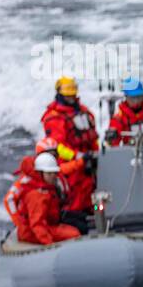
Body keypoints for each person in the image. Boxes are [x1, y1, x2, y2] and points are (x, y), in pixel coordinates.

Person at [41, 76, 99, 215]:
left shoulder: (84, 112)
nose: (71, 98)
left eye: (73, 94)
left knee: (94, 194)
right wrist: (79, 158)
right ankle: (75, 221)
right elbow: (58, 147)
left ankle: (96, 214)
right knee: (74, 199)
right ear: (60, 95)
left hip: (89, 163)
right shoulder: (54, 117)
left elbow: (93, 136)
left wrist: (96, 154)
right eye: (68, 95)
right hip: (70, 166)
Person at [5, 151, 81, 246]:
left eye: (54, 173)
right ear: (40, 173)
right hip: (30, 233)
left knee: (75, 227)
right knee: (74, 234)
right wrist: (49, 244)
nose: (53, 176)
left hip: (44, 226)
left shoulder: (45, 189)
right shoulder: (37, 194)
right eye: (49, 174)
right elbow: (37, 224)